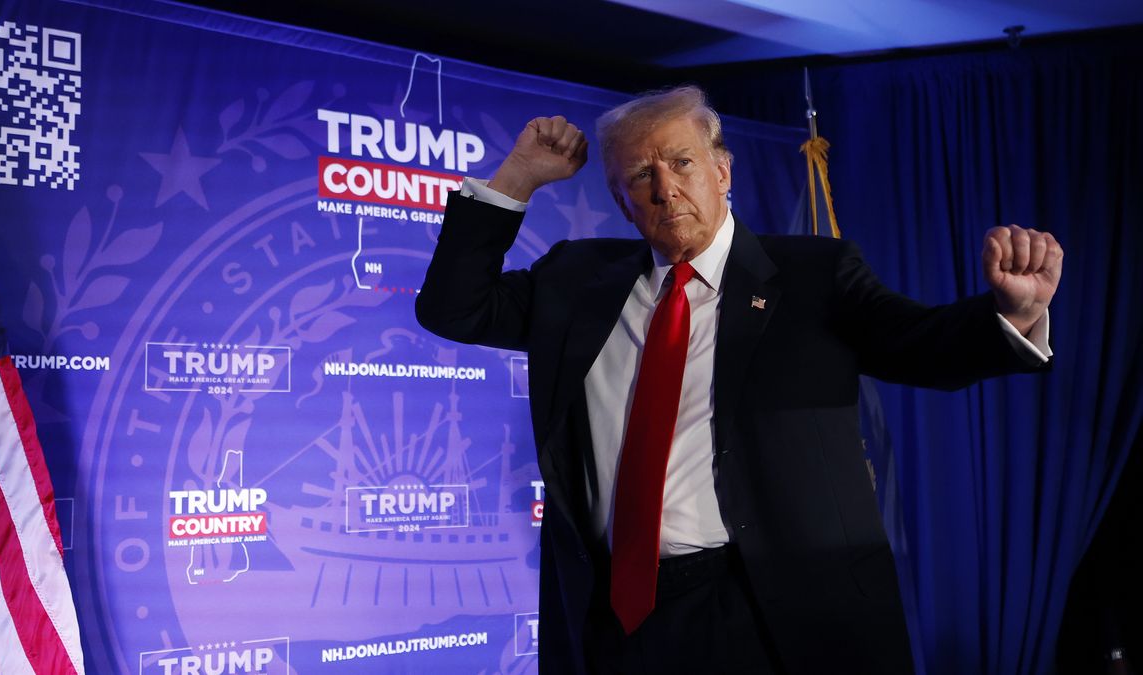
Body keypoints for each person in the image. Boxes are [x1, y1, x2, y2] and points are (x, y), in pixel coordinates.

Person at [416, 86, 1061, 674]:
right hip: (611, 619)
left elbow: (922, 347)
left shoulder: (815, 276)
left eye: (682, 162)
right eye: (641, 175)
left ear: (723, 170)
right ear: (620, 200)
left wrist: (1014, 313)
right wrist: (519, 178)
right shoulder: (574, 280)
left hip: (769, 614)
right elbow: (453, 307)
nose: (665, 188)